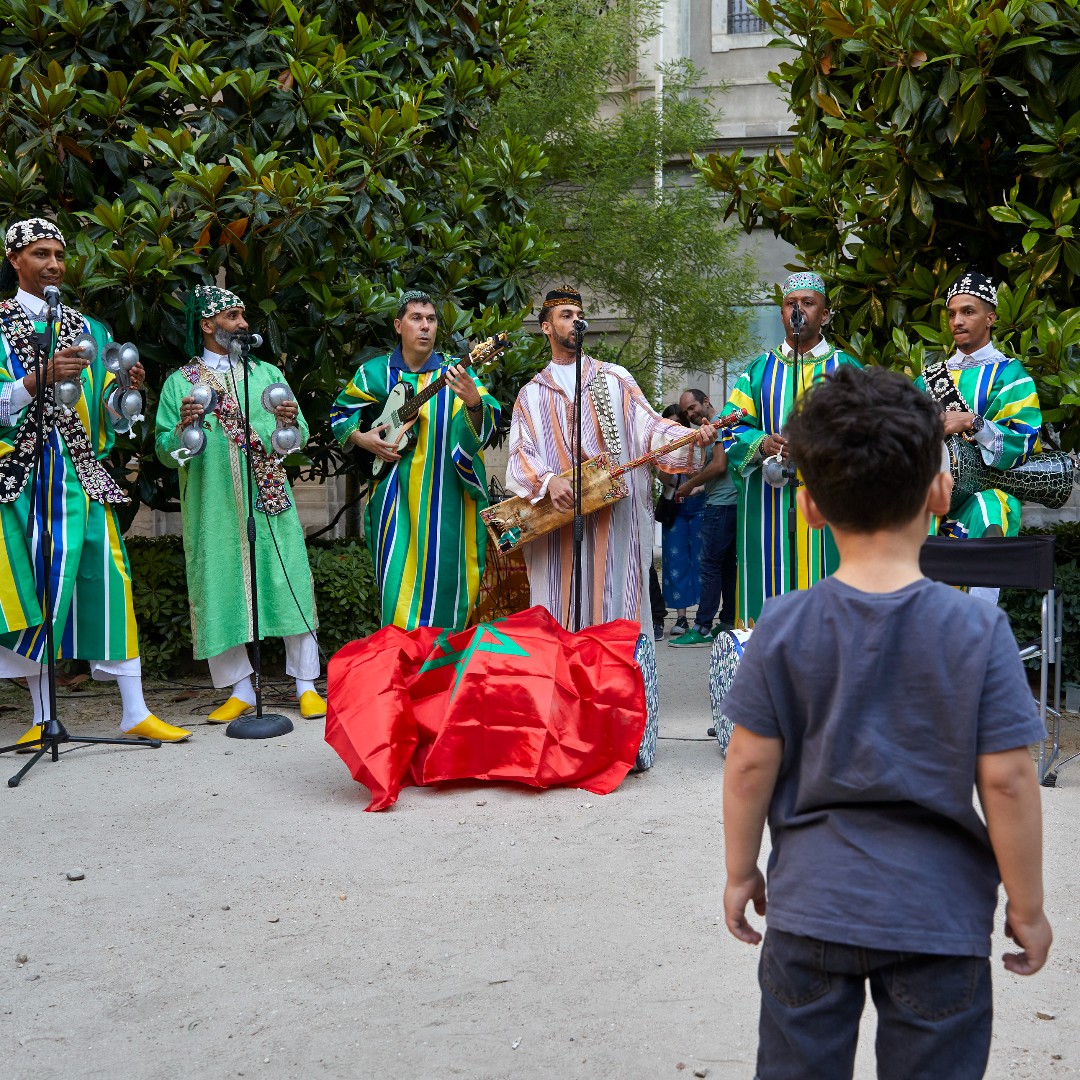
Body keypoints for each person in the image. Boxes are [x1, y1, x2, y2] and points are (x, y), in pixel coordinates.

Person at [721, 365, 1051, 1080]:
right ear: (939, 493)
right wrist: (1027, 906)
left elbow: (747, 763)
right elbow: (1009, 781)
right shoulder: (976, 630)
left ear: (808, 507)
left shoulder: (781, 624)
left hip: (811, 909)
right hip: (938, 920)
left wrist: (741, 871)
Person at [0, 217, 190, 744]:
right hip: (24, 481)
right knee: (38, 592)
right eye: (40, 254)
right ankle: (42, 719)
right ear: (15, 260)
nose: (54, 264)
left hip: (83, 474)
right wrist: (34, 381)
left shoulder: (90, 330)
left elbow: (110, 416)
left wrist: (125, 390)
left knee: (110, 582)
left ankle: (134, 710)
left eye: (59, 254)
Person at [154, 286, 325, 723]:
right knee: (219, 584)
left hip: (269, 499)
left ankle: (306, 685)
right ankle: (240, 689)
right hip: (213, 506)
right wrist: (182, 428)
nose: (243, 323)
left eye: (243, 315)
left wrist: (289, 424)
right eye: (232, 316)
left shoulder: (267, 374)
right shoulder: (181, 382)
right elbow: (160, 449)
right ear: (208, 324)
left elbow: (299, 433)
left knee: (288, 582)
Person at [506, 285, 714, 631]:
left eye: (580, 315)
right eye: (566, 315)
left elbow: (650, 428)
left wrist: (692, 438)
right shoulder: (530, 395)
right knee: (561, 610)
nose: (576, 321)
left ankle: (620, 684)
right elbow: (520, 454)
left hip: (615, 523)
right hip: (558, 525)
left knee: (617, 611)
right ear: (546, 327)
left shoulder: (614, 378)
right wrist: (548, 480)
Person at [331, 290, 500, 632]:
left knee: (446, 585)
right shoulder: (375, 373)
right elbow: (340, 413)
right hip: (394, 499)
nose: (425, 327)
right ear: (398, 325)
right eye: (416, 319)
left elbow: (485, 422)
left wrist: (473, 404)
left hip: (448, 501)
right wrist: (363, 439)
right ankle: (400, 666)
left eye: (431, 320)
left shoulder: (457, 374)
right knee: (397, 584)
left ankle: (441, 667)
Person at [722, 272, 861, 628]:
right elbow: (729, 426)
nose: (797, 310)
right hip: (767, 506)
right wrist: (762, 442)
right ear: (782, 313)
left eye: (808, 303)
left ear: (825, 314)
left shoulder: (846, 370)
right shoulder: (758, 370)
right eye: (790, 303)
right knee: (767, 596)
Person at [916, 271, 1042, 541]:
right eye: (951, 314)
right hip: (931, 496)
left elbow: (1023, 443)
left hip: (988, 490)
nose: (957, 321)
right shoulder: (927, 379)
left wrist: (973, 422)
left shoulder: (1010, 375)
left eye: (968, 312)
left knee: (989, 513)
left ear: (990, 318)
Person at [668, 388, 738, 646]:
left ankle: (703, 626)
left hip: (720, 506)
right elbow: (724, 470)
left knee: (708, 565)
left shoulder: (718, 423)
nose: (690, 414)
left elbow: (719, 465)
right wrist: (698, 488)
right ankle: (728, 621)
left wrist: (689, 484)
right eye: (686, 411)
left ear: (706, 402)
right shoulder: (719, 424)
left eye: (692, 407)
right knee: (727, 566)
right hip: (729, 502)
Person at [656, 402, 702, 637]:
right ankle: (682, 617)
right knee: (675, 562)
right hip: (674, 509)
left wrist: (693, 485)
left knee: (702, 560)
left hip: (698, 506)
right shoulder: (660, 448)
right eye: (670, 424)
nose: (675, 428)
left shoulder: (696, 443)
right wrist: (669, 455)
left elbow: (702, 474)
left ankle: (703, 616)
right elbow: (663, 478)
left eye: (678, 424)